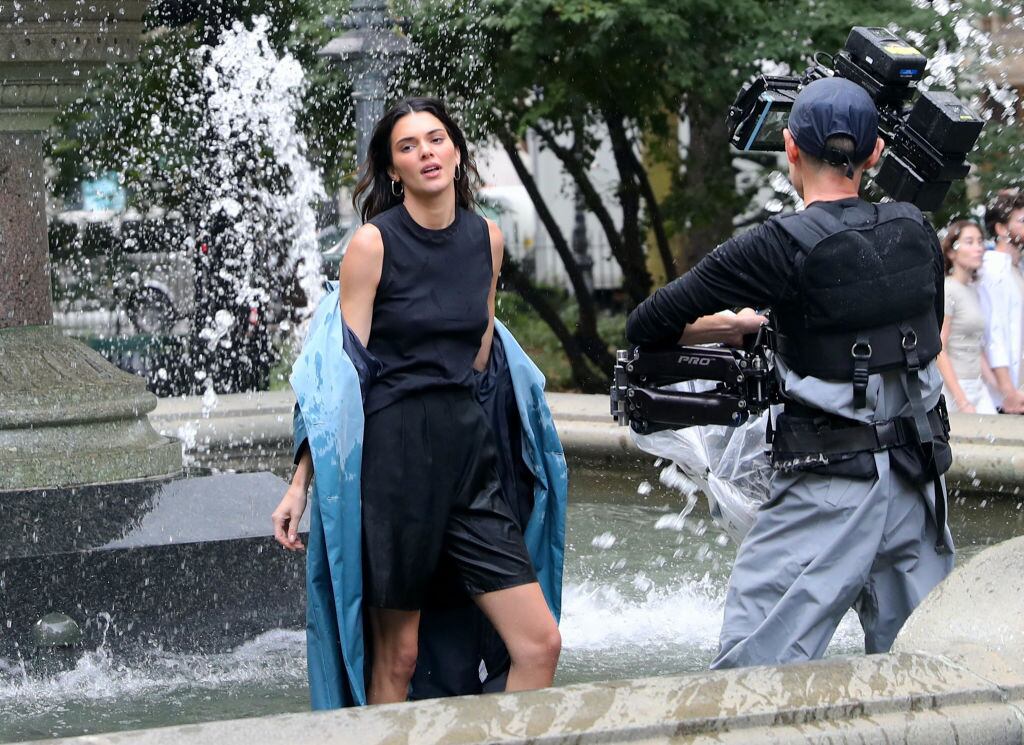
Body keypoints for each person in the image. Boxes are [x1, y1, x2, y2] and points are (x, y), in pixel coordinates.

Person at [627, 77, 954, 669]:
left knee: (750, 679)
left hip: (826, 489)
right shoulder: (917, 227)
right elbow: (924, 334)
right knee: (929, 674)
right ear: (876, 153)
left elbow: (647, 323)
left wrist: (732, 326)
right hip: (916, 484)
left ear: (790, 147)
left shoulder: (775, 245)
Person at [271, 97, 564, 706]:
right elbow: (336, 378)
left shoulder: (486, 238)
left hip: (469, 458)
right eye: (408, 146)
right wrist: (301, 483)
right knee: (397, 658)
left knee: (539, 645)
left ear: (456, 152)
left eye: (435, 139)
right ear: (393, 168)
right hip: (397, 460)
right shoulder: (373, 245)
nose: (425, 153)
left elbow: (482, 356)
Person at [936, 220, 997, 414]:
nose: (978, 248)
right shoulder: (948, 289)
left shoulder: (972, 290)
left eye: (980, 242)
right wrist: (961, 400)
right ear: (951, 252)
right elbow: (939, 349)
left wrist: (1003, 390)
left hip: (977, 386)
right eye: (970, 242)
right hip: (956, 388)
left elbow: (976, 347)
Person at [978, 189, 1024, 413]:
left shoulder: (1016, 268)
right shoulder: (992, 269)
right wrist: (1008, 392)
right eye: (1022, 221)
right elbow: (992, 335)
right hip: (1000, 400)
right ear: (1001, 229)